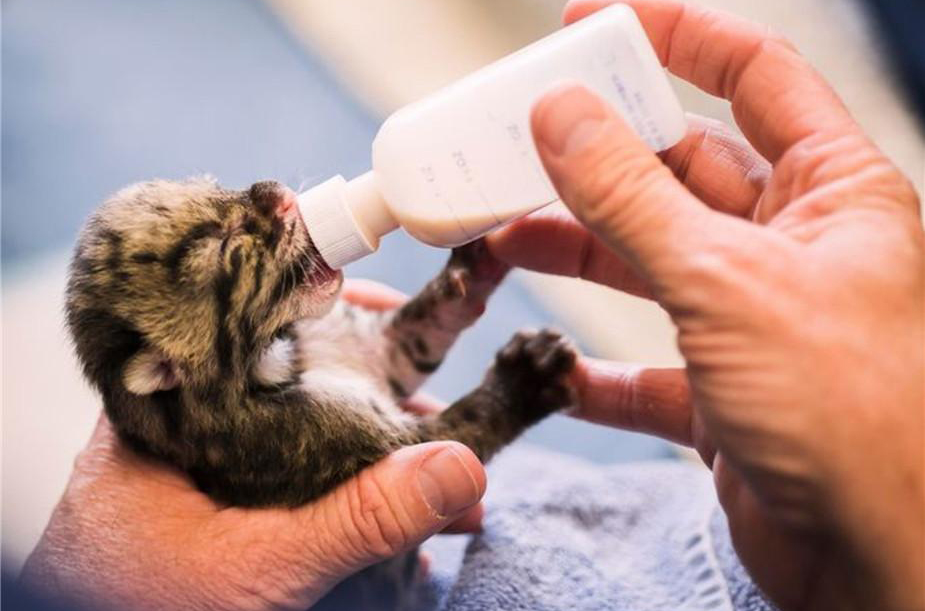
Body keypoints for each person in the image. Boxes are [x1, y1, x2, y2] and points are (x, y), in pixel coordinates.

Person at [18, 0, 923, 609]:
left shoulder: (242, 361)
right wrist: (507, 396)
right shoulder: (259, 437)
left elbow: (379, 358)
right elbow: (413, 450)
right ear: (168, 367)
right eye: (223, 243)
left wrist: (448, 302)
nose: (257, 200)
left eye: (216, 194)